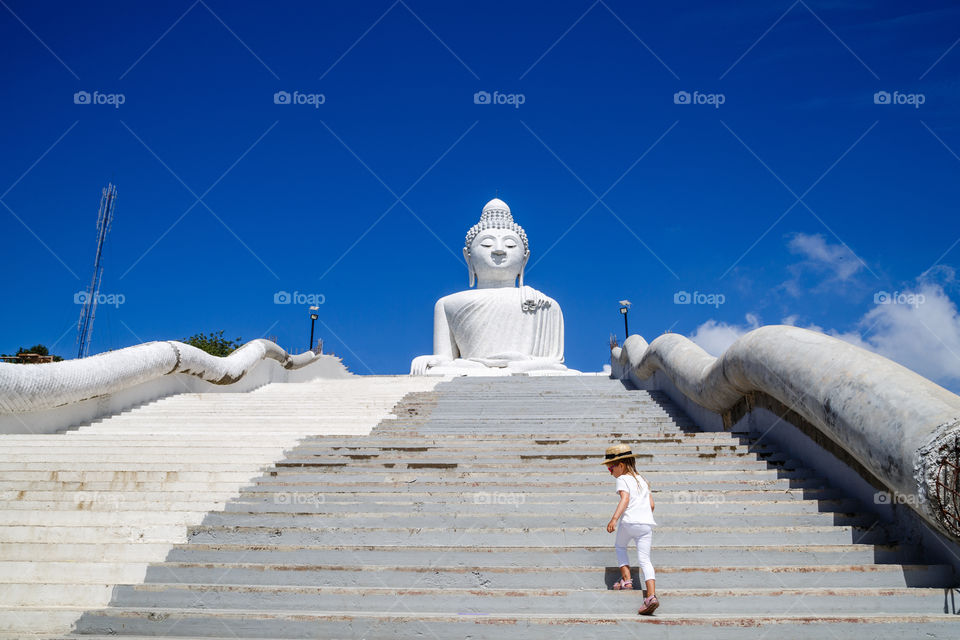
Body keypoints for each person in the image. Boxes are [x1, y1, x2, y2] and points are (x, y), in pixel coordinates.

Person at [602, 443, 659, 615]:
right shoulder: (642, 479)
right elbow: (652, 504)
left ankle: (627, 580)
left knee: (620, 546)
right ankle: (651, 596)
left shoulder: (622, 479)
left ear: (620, 465)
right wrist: (644, 516)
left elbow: (625, 499)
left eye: (611, 468)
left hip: (629, 522)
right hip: (646, 524)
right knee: (645, 560)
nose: (610, 472)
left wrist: (614, 518)